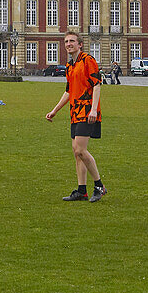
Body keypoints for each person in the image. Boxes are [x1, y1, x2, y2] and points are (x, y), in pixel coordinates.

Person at [45, 31, 106, 202]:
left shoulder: (88, 60)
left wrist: (94, 109)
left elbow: (97, 85)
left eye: (72, 41)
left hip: (88, 112)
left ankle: (99, 186)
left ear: (80, 44)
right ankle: (82, 190)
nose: (68, 44)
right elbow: (68, 91)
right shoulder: (70, 66)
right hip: (75, 112)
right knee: (76, 152)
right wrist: (55, 110)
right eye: (66, 41)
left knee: (80, 150)